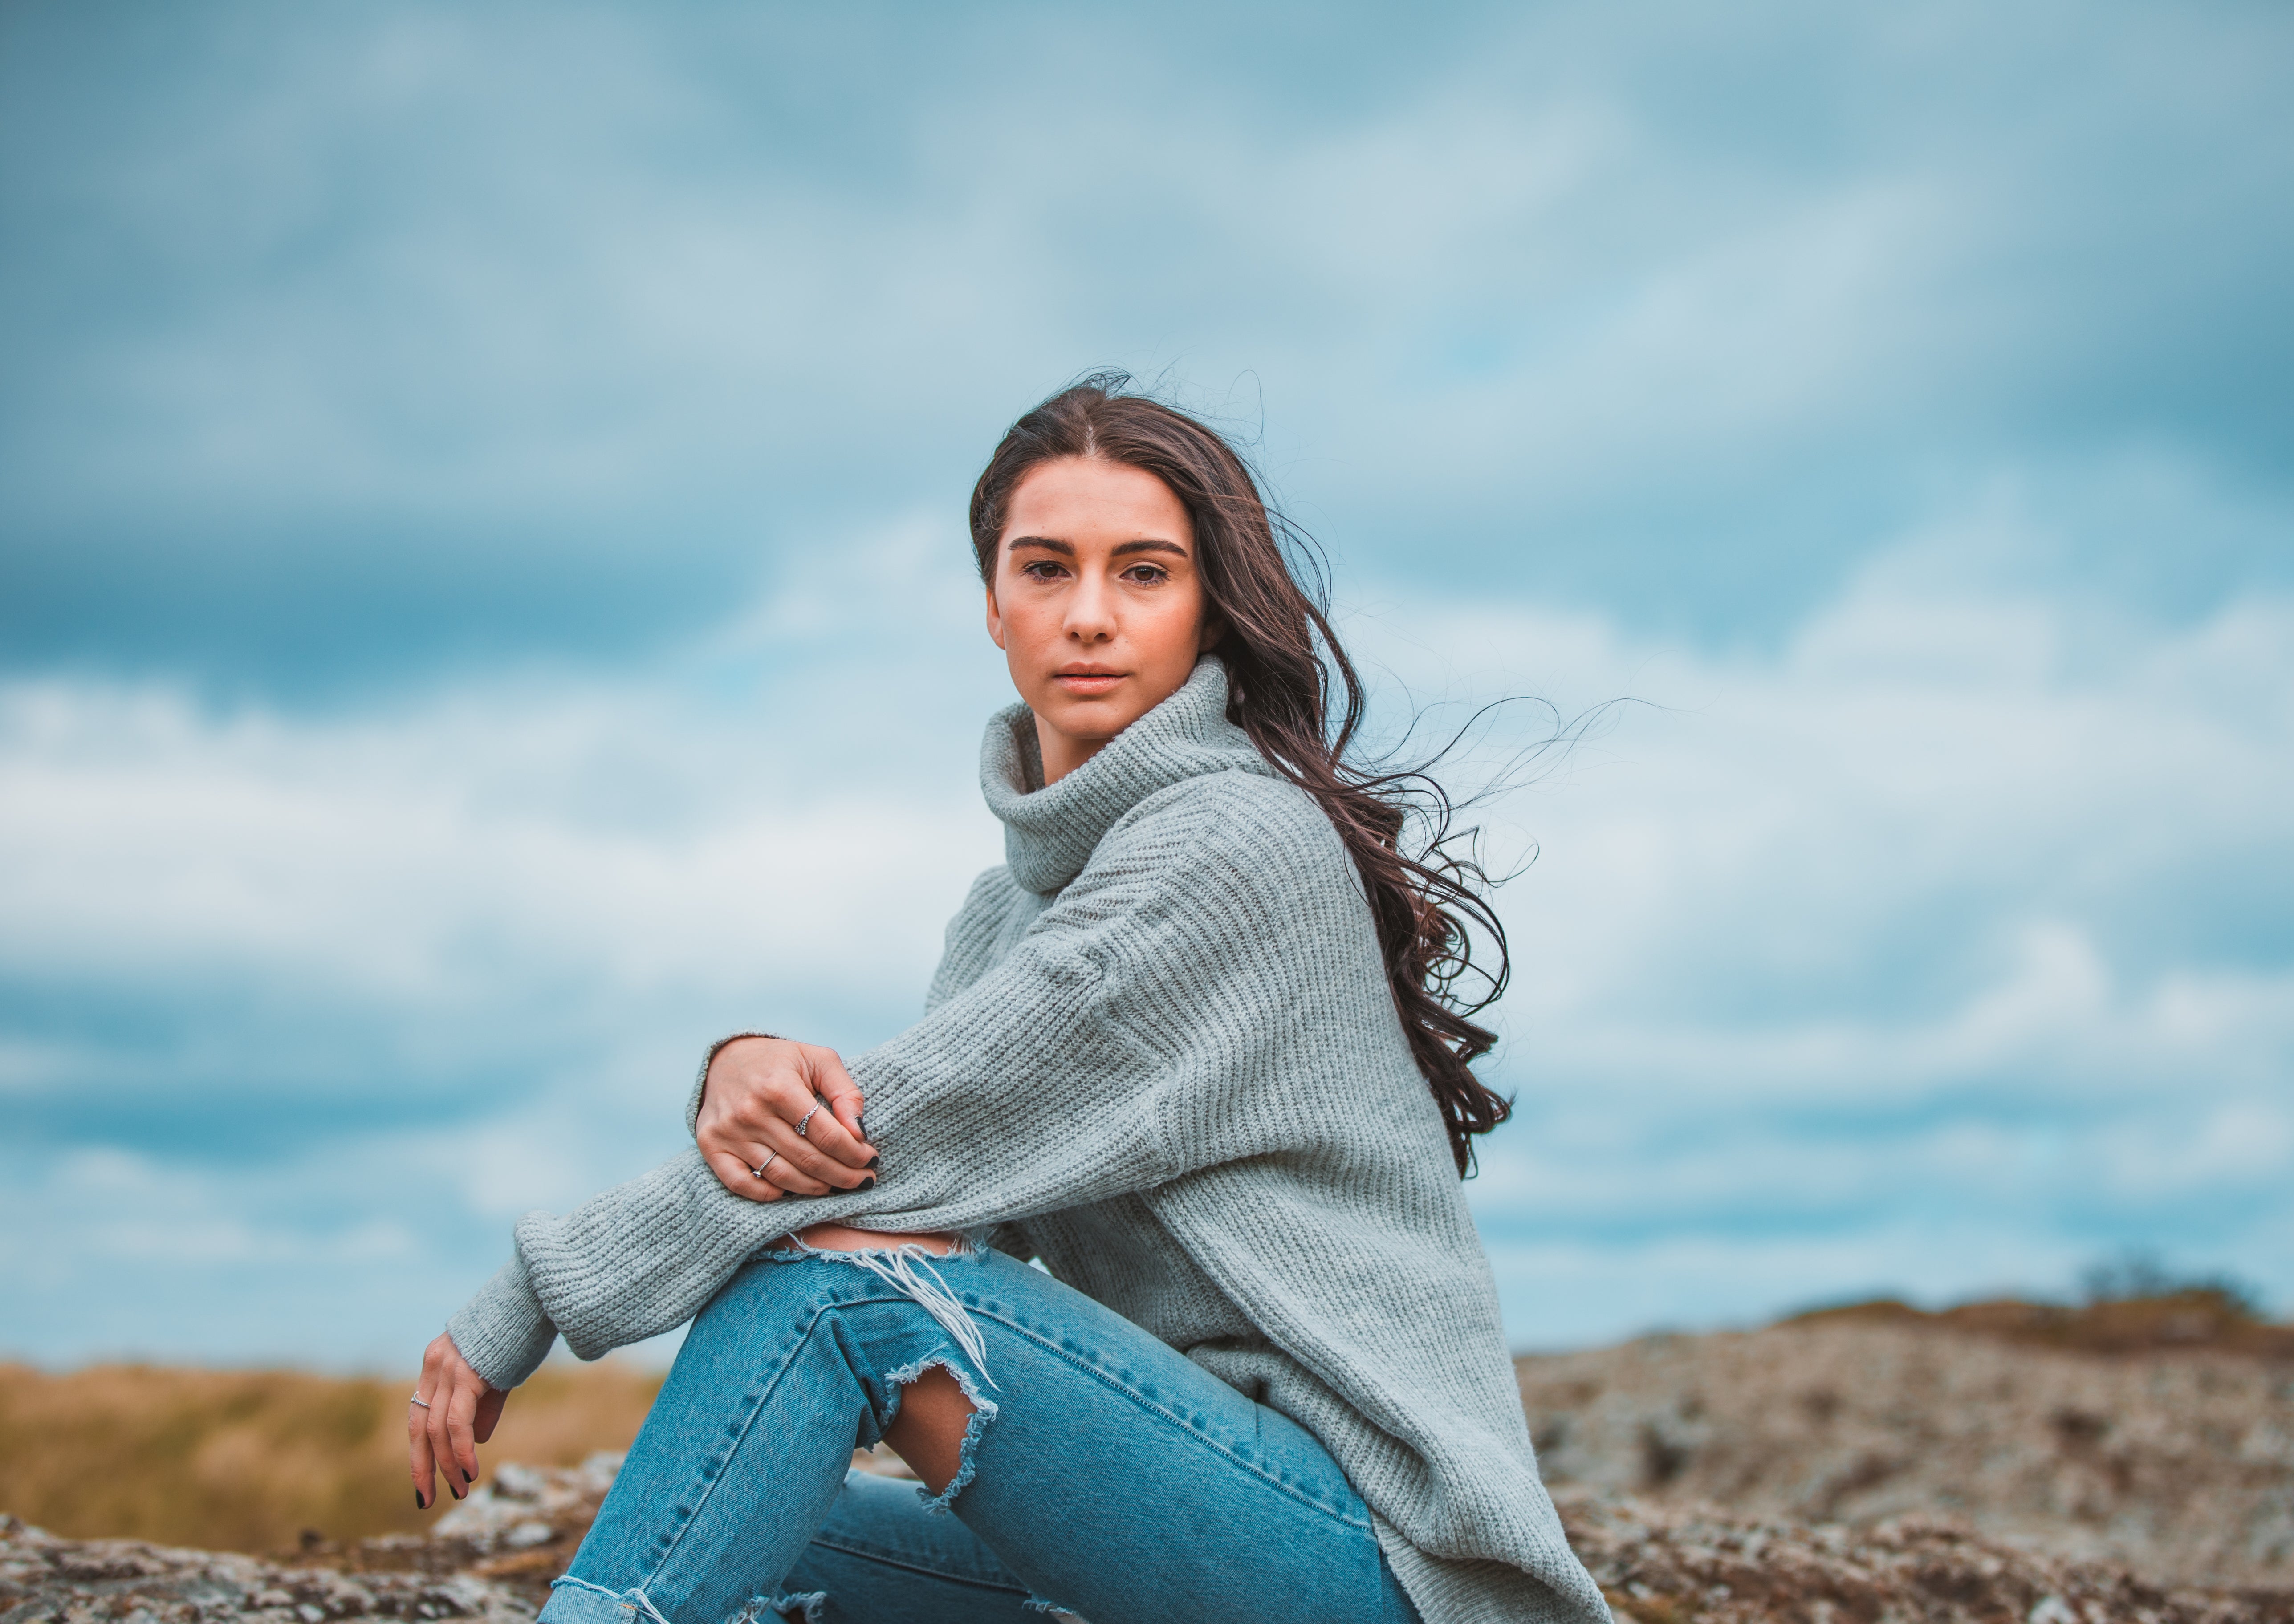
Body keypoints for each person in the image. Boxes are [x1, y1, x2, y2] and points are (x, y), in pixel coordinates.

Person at [406, 376, 1609, 1624]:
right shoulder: (1007, 912)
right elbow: (929, 1176)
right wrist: (744, 1063)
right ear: (992, 604)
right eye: (1047, 570)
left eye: (1143, 574)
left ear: (1208, 608)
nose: (1090, 616)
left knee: (834, 1289)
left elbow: (880, 1180)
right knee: (740, 1503)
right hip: (1197, 1516)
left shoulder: (1232, 847)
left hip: (1377, 1565)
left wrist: (537, 1292)